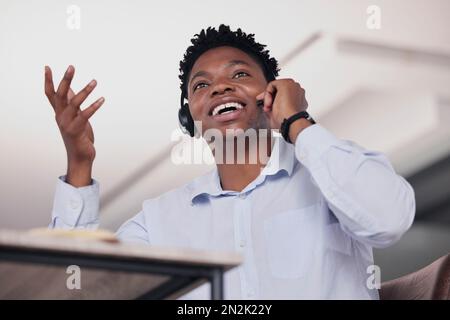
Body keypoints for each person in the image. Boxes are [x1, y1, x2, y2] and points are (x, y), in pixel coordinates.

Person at [44, 24, 415, 299]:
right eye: (201, 85)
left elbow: (389, 220)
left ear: (272, 93)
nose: (220, 87)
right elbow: (83, 290)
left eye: (239, 74)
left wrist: (297, 122)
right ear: (189, 119)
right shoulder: (159, 221)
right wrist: (79, 164)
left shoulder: (330, 174)